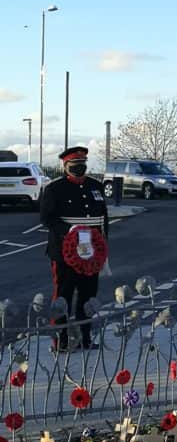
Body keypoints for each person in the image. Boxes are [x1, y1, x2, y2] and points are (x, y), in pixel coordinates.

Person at [39, 145, 109, 349]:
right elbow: (46, 218)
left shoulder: (95, 186)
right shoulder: (54, 188)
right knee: (63, 295)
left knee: (88, 295)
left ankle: (85, 337)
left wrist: (103, 248)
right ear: (65, 166)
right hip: (65, 252)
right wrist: (70, 231)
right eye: (75, 165)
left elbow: (102, 218)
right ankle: (61, 340)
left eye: (83, 165)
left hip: (91, 254)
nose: (80, 169)